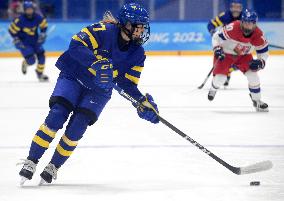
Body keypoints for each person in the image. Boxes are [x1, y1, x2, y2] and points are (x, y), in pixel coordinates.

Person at [18, 3, 159, 185]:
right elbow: (76, 45)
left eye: (143, 27)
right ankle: (32, 160)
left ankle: (53, 166)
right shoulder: (104, 30)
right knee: (57, 115)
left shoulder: (138, 54)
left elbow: (128, 83)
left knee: (77, 127)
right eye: (138, 26)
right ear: (126, 24)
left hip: (99, 90)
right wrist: (95, 63)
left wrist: (140, 102)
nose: (141, 31)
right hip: (74, 76)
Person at [208, 9, 269, 112]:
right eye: (245, 22)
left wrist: (260, 62)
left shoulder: (259, 35)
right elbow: (216, 37)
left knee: (253, 76)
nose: (247, 26)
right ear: (241, 21)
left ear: (255, 24)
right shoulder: (232, 27)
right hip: (226, 54)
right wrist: (217, 48)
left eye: (250, 23)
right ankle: (213, 88)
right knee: (220, 79)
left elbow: (263, 53)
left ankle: (257, 101)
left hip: (243, 56)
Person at [8, 1, 48, 82]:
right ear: (24, 10)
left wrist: (43, 33)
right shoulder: (19, 20)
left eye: (31, 9)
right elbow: (12, 30)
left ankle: (40, 74)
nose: (29, 11)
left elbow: (44, 25)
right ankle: (26, 63)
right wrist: (16, 39)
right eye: (27, 9)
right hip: (24, 43)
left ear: (33, 9)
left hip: (35, 41)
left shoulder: (38, 17)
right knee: (31, 60)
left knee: (41, 56)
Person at [207, 0, 243, 87]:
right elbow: (211, 24)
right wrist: (213, 32)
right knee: (219, 56)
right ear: (231, 8)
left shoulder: (245, 17)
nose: (236, 10)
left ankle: (228, 72)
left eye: (238, 7)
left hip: (239, 44)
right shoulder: (225, 16)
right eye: (234, 7)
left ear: (241, 8)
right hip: (225, 42)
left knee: (241, 61)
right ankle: (217, 74)